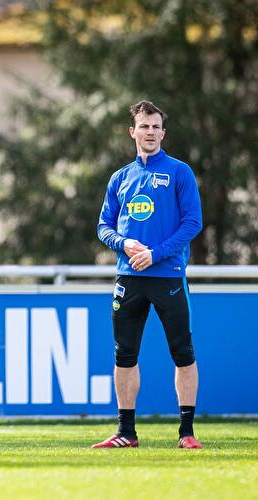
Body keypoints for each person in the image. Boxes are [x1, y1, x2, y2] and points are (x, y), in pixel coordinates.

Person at [93, 100, 203, 449]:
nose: (150, 132)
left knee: (182, 353)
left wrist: (156, 253)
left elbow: (193, 223)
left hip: (168, 276)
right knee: (124, 355)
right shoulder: (120, 178)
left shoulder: (179, 172)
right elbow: (103, 226)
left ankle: (186, 433)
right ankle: (127, 432)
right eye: (144, 126)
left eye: (156, 126)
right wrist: (124, 244)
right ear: (133, 132)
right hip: (128, 277)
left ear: (163, 132)